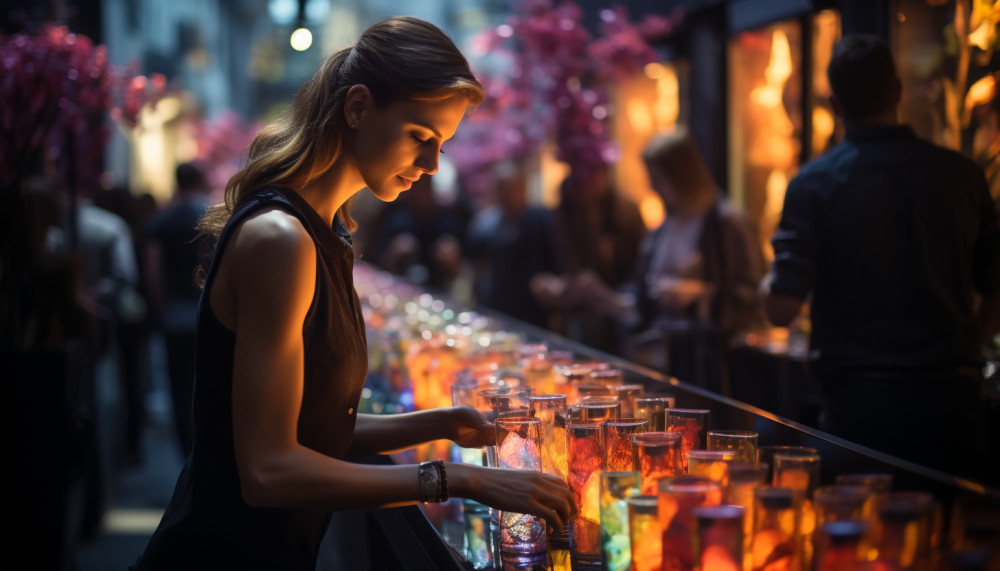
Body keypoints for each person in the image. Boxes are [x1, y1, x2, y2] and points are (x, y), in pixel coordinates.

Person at [131, 17, 575, 570]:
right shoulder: (281, 238)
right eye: (421, 137)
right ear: (359, 107)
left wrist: (438, 422)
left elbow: (313, 426)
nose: (433, 166)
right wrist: (451, 478)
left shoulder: (322, 230)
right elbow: (269, 470)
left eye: (442, 145)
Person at [760, 34, 1000, 480]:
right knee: (961, 537)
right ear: (897, 91)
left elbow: (780, 309)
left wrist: (765, 282)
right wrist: (969, 345)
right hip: (956, 402)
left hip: (861, 407)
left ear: (834, 103)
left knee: (867, 541)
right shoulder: (962, 174)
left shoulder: (814, 184)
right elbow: (996, 286)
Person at [568, 128, 765, 392]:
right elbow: (642, 304)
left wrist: (698, 294)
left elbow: (753, 295)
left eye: (658, 178)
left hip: (718, 373)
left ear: (683, 176)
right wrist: (600, 294)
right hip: (669, 367)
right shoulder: (665, 227)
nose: (652, 187)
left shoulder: (726, 223)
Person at [145, 162, 214, 457]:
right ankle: (208, 447)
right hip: (212, 314)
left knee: (179, 387)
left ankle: (185, 451)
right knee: (211, 384)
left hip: (175, 317)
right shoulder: (213, 216)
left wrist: (160, 311)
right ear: (199, 179)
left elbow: (153, 273)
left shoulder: (162, 221)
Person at [466, 159, 563, 328]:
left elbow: (556, 262)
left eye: (511, 188)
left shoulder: (541, 219)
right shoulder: (486, 223)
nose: (506, 194)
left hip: (535, 313)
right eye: (501, 188)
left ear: (523, 187)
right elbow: (477, 266)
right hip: (496, 309)